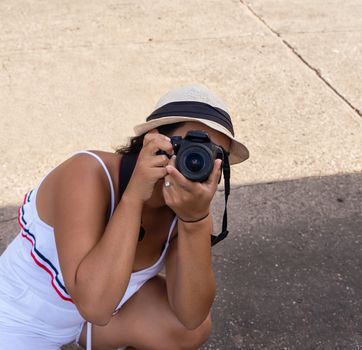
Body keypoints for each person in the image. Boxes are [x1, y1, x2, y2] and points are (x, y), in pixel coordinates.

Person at [0, 84, 249, 350]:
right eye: (190, 143)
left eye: (215, 154)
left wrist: (195, 221)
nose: (199, 160)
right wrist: (133, 197)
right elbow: (94, 305)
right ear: (153, 140)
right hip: (19, 316)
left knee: (186, 330)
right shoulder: (88, 173)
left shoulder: (185, 208)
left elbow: (192, 317)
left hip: (92, 324)